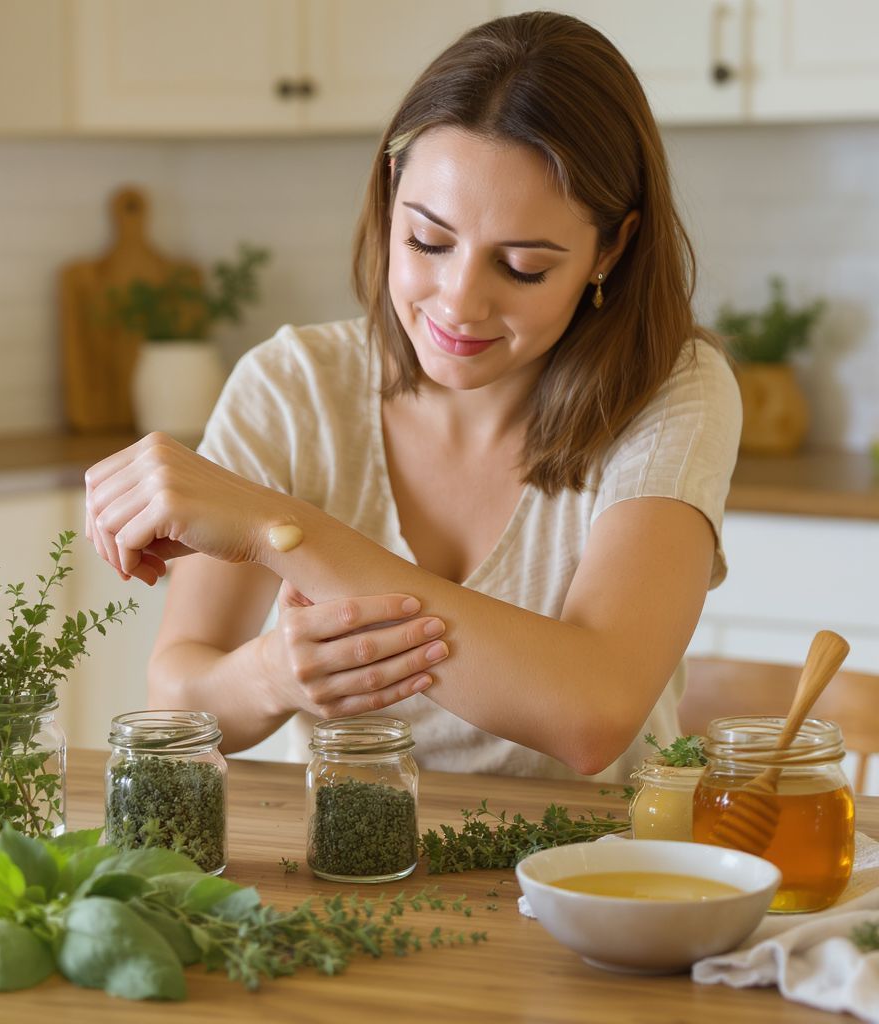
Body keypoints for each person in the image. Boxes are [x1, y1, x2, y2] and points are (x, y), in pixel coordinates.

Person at [84, 11, 741, 783]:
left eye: (524, 267)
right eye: (429, 242)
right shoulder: (294, 385)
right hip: (351, 868)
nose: (460, 302)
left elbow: (591, 713)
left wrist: (282, 530)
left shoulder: (672, 390)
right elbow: (176, 700)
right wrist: (273, 676)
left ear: (613, 247)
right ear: (392, 193)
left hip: (592, 884)